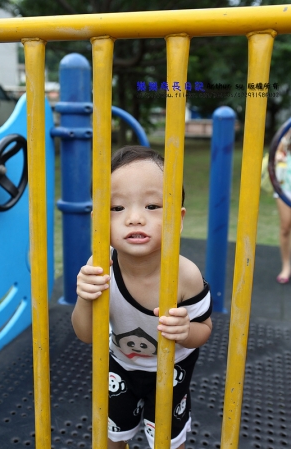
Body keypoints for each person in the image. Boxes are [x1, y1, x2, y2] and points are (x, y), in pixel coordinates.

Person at [72, 146, 213, 449]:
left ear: (179, 217)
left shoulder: (184, 275)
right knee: (112, 435)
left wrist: (187, 331)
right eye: (117, 208)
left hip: (172, 370)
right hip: (120, 366)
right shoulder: (100, 267)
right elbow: (85, 335)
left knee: (167, 441)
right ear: (98, 220)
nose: (134, 218)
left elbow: (205, 329)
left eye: (152, 206)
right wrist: (85, 298)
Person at [274, 131, 291, 284]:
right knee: (285, 227)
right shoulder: (287, 136)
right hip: (286, 188)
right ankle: (286, 265)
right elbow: (277, 151)